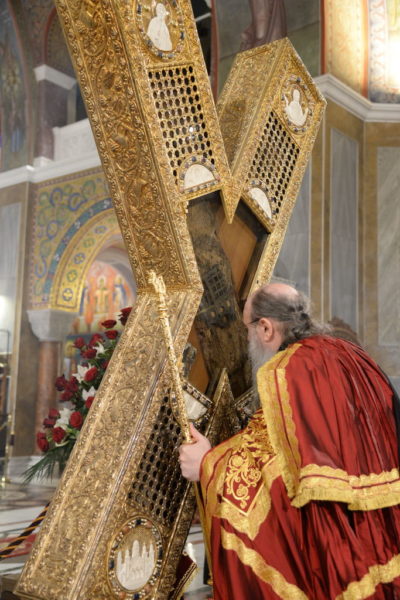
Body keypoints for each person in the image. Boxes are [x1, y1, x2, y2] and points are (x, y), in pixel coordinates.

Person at [179, 282, 400, 599]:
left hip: (336, 549)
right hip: (383, 534)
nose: (248, 340)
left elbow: (272, 465)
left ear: (265, 328)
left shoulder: (287, 371)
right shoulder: (351, 355)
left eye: (248, 330)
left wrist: (205, 463)